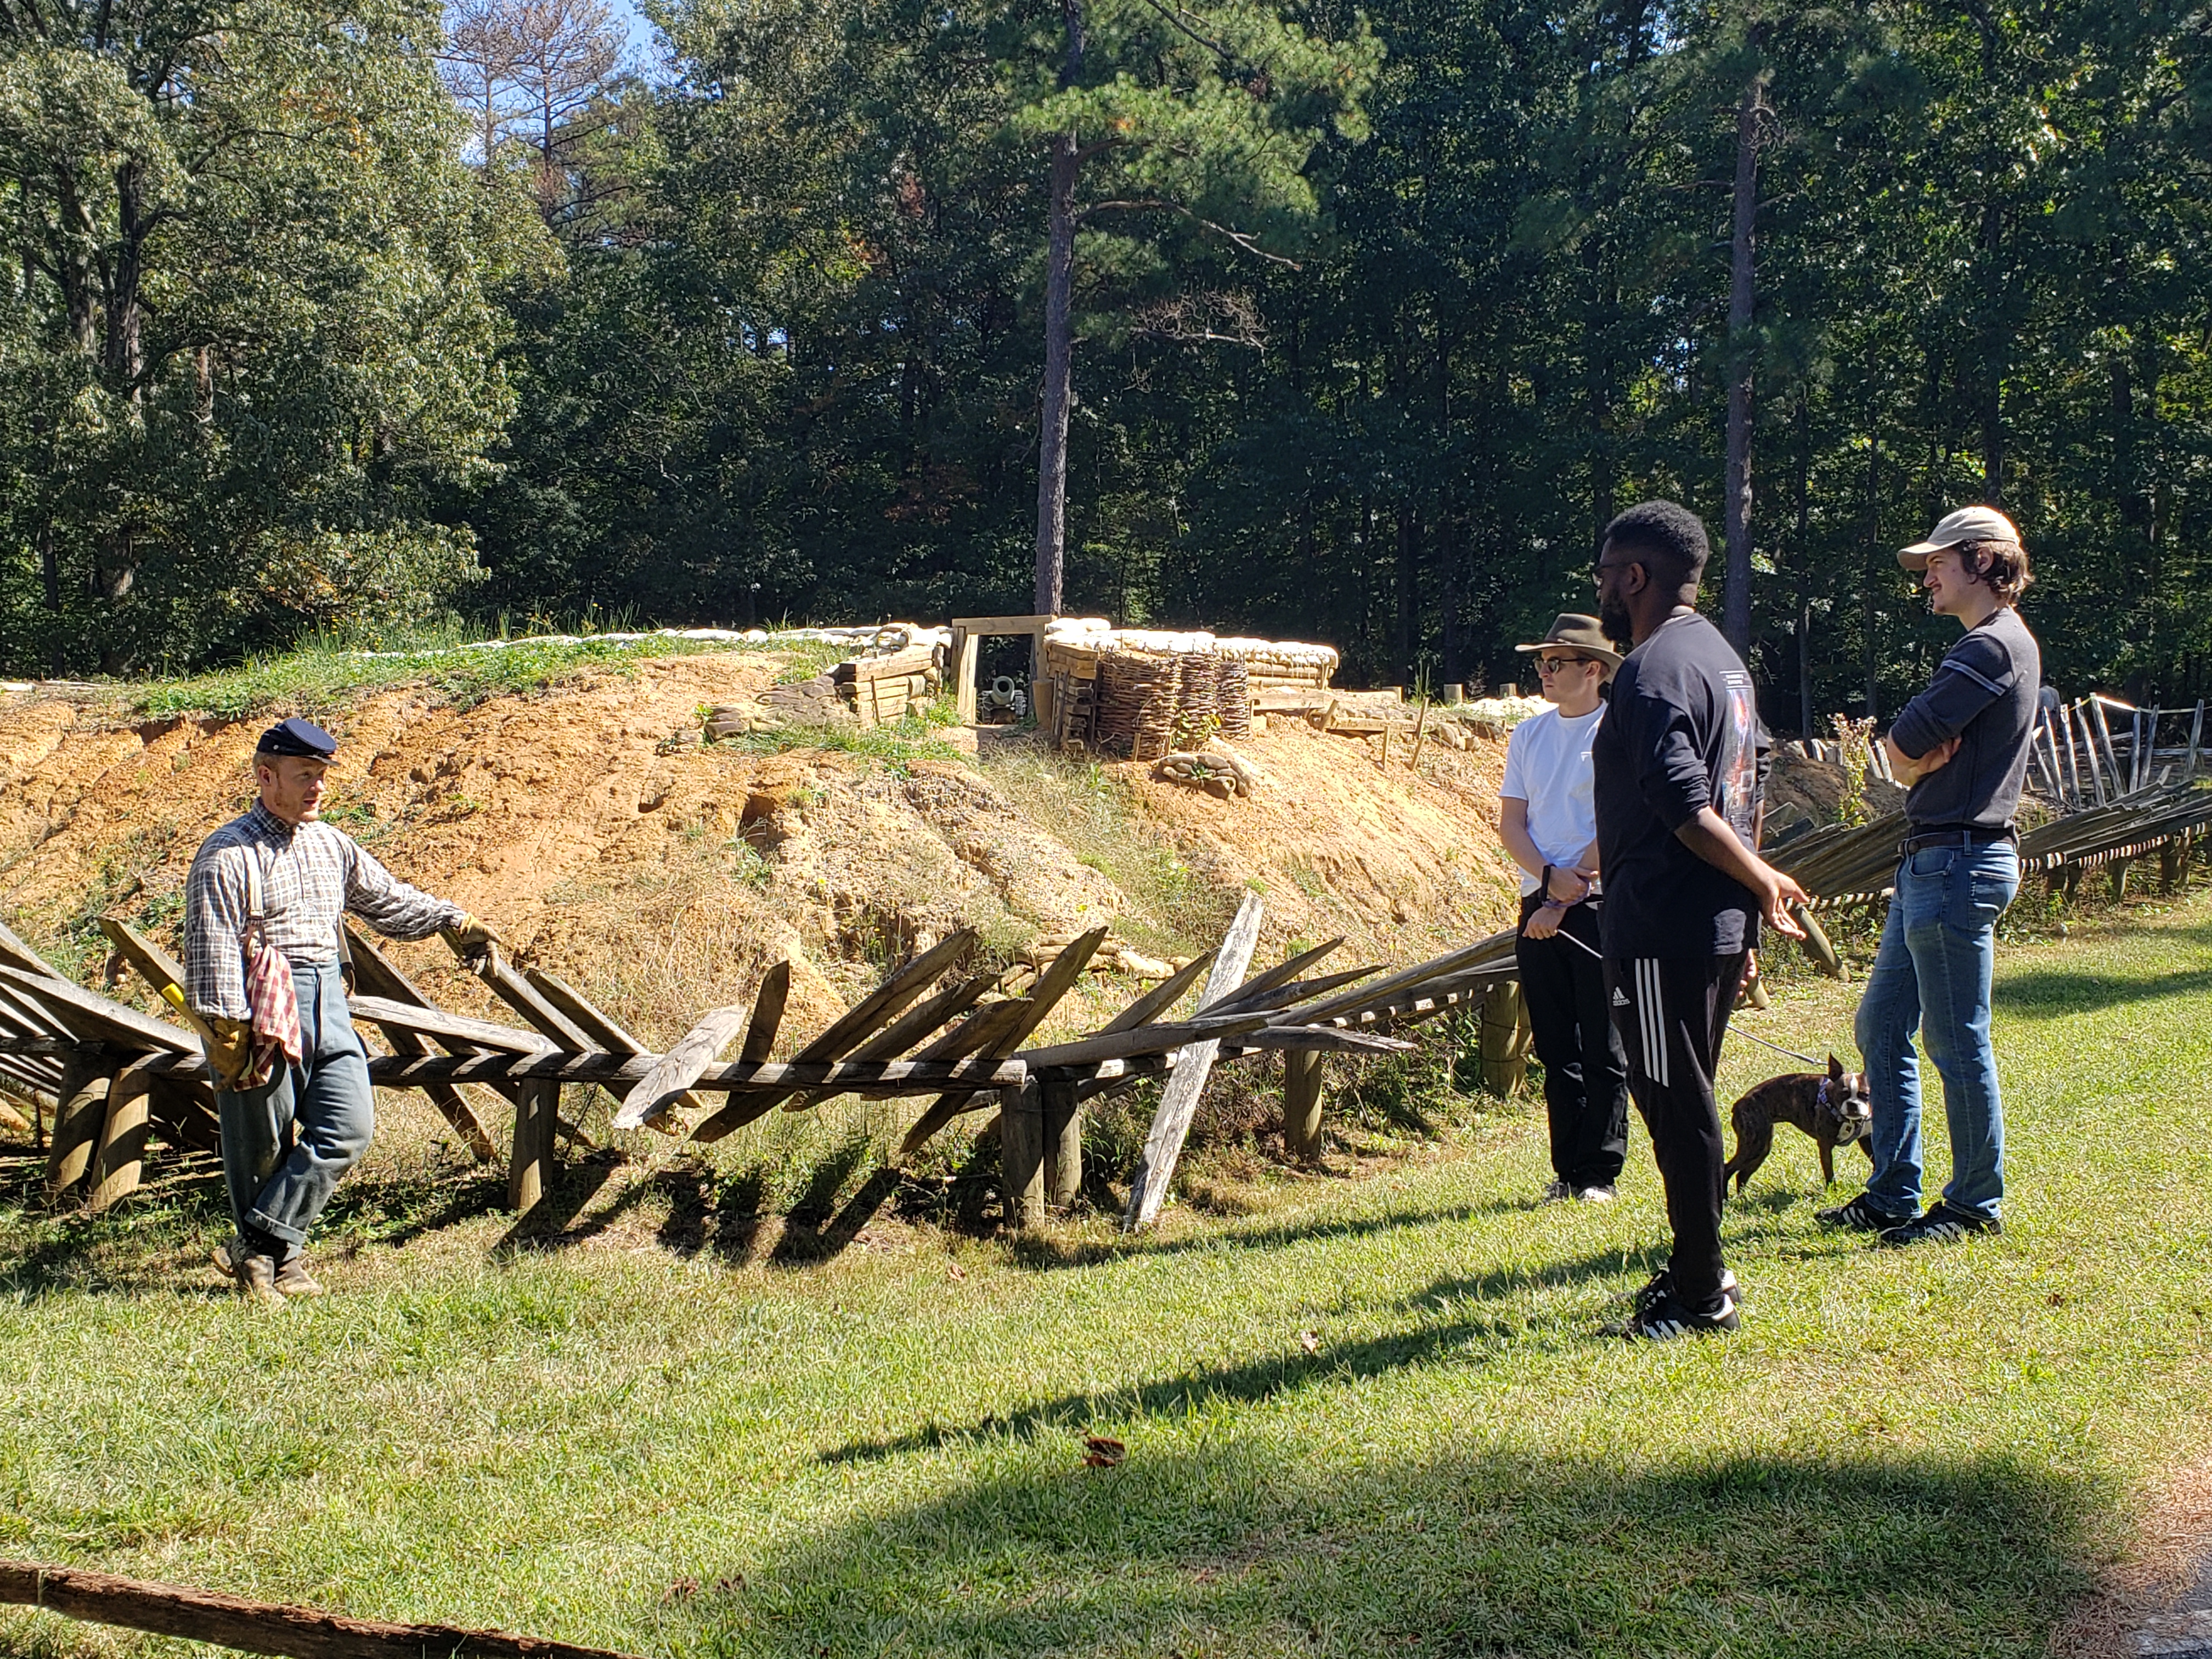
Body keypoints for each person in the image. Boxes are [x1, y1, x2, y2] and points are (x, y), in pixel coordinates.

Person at [1590, 500, 1810, 1340]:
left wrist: (1756, 885)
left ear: (1635, 577)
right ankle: (1697, 1269)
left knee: (1676, 1109)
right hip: (1709, 927)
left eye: (1607, 577)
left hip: (1660, 928)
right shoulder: (1723, 663)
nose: (1603, 592)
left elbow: (1688, 806)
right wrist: (1746, 919)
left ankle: (1699, 1292)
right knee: (1690, 1100)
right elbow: (1744, 797)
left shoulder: (1650, 672)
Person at [185, 718, 499, 1305]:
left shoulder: (331, 844)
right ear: (265, 776)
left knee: (348, 1128)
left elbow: (387, 900)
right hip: (257, 1007)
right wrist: (224, 1029)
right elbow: (210, 948)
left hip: (329, 999)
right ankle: (279, 1264)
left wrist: (449, 919)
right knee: (263, 1145)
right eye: (304, 776)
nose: (317, 788)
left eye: (321, 777)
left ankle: (252, 1243)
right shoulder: (227, 855)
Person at [1819, 505, 2040, 1246]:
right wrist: (1909, 759)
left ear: (1982, 561)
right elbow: (1900, 756)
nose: (1928, 577)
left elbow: (1903, 742)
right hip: (1935, 860)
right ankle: (1892, 1193)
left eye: (1939, 562)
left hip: (1957, 861)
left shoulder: (1989, 649)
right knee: (1881, 1024)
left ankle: (1974, 1205)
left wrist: (1911, 757)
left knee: (1957, 1042)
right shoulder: (1987, 647)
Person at [1499, 614, 1630, 1205]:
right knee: (1556, 1045)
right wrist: (1547, 885)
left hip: (1596, 901)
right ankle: (1568, 1169)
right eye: (1541, 664)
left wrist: (1568, 887)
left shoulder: (1618, 730)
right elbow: (1512, 823)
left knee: (1602, 1044)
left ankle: (1600, 1171)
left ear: (1594, 670)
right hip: (1540, 902)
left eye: (1557, 663)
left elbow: (1621, 820)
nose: (1546, 673)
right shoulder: (1528, 736)